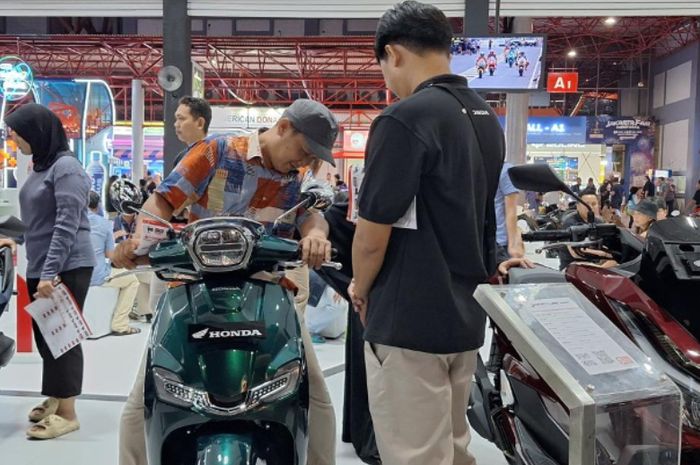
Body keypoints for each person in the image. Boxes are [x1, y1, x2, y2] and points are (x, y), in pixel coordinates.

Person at [112, 98, 339, 465]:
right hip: (194, 286)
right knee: (145, 397)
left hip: (266, 289)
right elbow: (163, 201)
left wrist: (315, 236)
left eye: (314, 156)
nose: (306, 160)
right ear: (283, 128)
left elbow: (312, 217)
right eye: (304, 150)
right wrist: (141, 240)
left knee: (313, 397)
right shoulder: (217, 151)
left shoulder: (298, 178)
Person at [348, 3, 504, 464]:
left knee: (414, 453)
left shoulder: (404, 118)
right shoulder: (485, 117)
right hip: (464, 315)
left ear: (393, 53)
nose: (387, 80)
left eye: (383, 67)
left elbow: (372, 234)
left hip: (408, 318)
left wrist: (360, 288)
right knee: (453, 448)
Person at [1, 104, 95, 439]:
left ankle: (68, 413)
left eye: (18, 133)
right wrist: (14, 238)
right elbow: (38, 219)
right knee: (46, 338)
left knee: (62, 338)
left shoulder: (66, 168)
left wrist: (48, 273)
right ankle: (56, 397)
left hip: (66, 265)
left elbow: (66, 225)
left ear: (37, 132)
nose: (14, 139)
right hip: (43, 264)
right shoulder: (40, 166)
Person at [86, 191, 140, 336]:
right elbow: (110, 255)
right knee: (133, 281)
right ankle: (120, 324)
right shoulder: (104, 224)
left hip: (74, 275)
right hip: (97, 276)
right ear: (98, 206)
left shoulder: (72, 222)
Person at [557, 192, 601, 270]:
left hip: (595, 265)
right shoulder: (570, 224)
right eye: (586, 204)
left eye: (594, 204)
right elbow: (576, 254)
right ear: (577, 206)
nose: (590, 207)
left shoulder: (599, 223)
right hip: (572, 267)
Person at [495, 162, 524, 261]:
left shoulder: (505, 170)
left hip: (498, 241)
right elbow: (511, 211)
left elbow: (511, 211)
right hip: (490, 241)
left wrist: (512, 245)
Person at [173, 95, 211, 166]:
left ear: (200, 123)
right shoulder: (180, 158)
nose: (176, 124)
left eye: (181, 118)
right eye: (176, 119)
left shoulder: (217, 158)